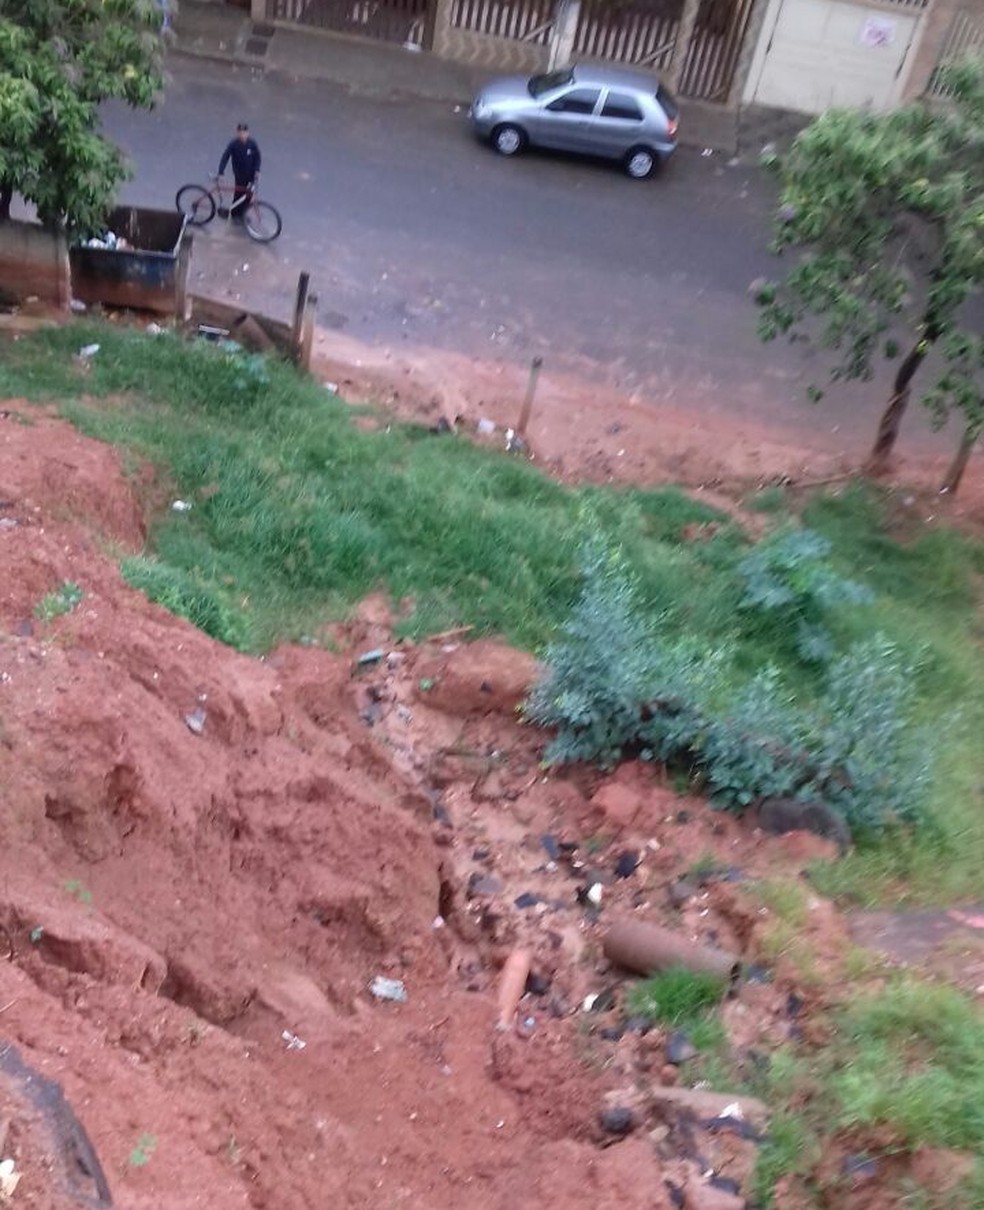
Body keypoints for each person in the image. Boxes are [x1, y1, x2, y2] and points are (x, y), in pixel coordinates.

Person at [217, 123, 261, 220]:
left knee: (248, 195)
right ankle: (234, 213)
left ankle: (242, 213)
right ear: (237, 133)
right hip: (239, 174)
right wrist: (221, 171)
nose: (242, 135)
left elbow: (257, 157)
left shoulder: (252, 144)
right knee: (238, 195)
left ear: (247, 133)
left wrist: (257, 170)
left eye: (244, 133)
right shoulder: (234, 144)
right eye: (240, 133)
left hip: (251, 174)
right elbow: (225, 156)